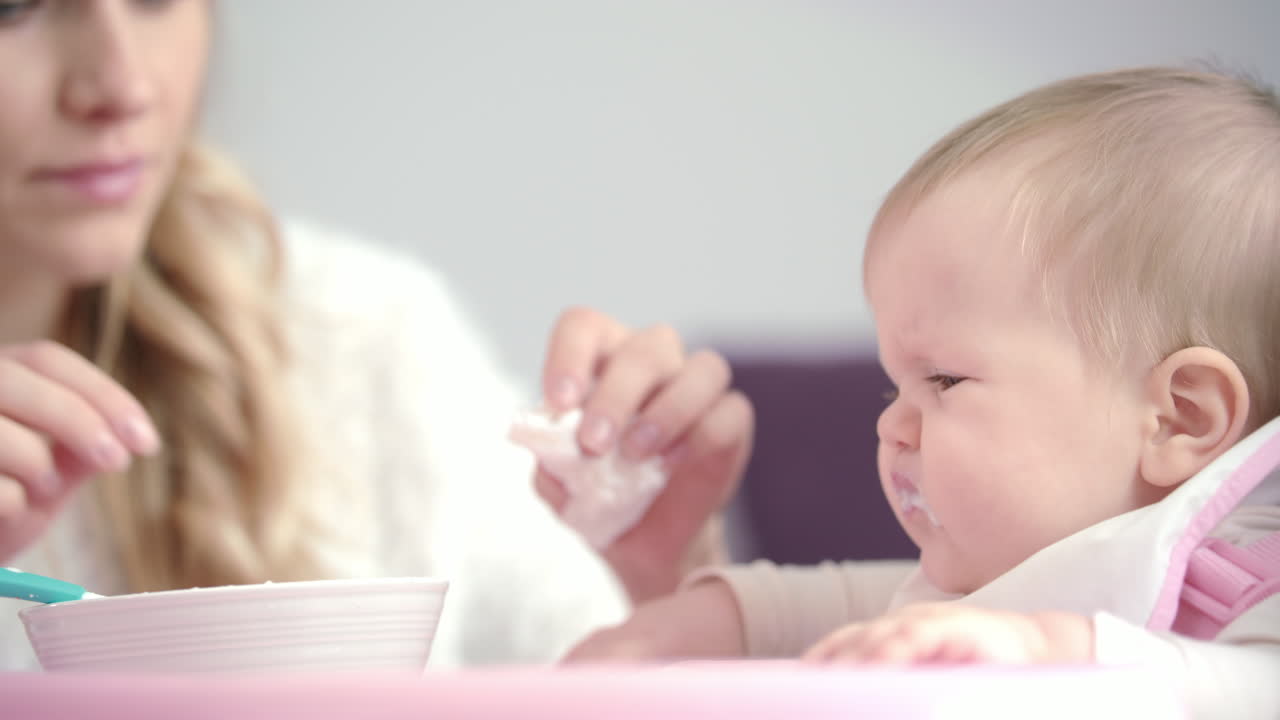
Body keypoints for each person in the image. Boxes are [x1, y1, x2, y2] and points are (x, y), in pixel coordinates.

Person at [0, 0, 751, 669]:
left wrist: (658, 590)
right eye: (15, 8)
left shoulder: (365, 338)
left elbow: (595, 651)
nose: (121, 86)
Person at [565, 66, 1280, 718]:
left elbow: (1248, 692)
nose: (892, 429)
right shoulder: (991, 584)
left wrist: (1053, 652)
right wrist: (674, 630)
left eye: (942, 379)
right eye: (893, 387)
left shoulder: (1248, 583)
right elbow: (803, 608)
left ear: (1178, 418)